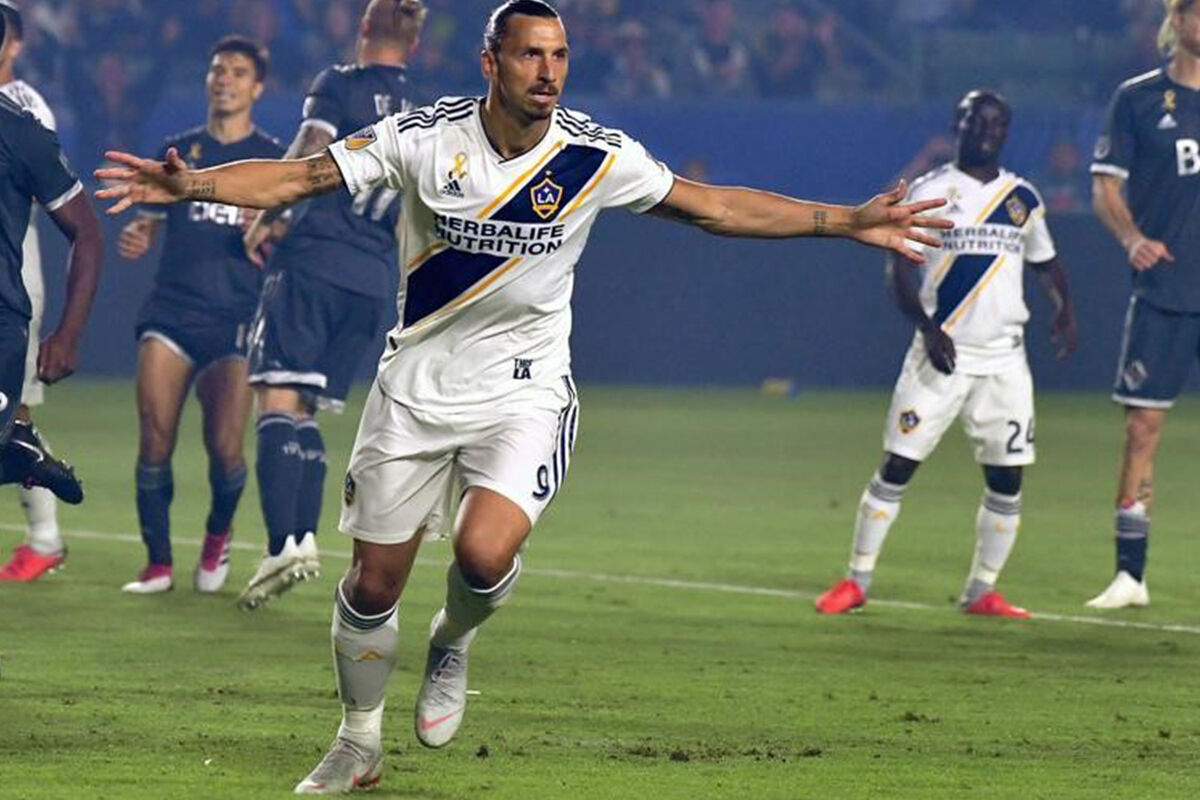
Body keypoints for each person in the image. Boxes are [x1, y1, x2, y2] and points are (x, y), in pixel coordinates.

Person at [95, 1, 950, 791]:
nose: (548, 71)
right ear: (491, 62)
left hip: (524, 391)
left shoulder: (593, 154)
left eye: (559, 55)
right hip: (416, 390)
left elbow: (714, 207)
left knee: (483, 553)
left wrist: (847, 220)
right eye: (530, 54)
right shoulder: (424, 137)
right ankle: (358, 739)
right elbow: (300, 178)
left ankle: (453, 640)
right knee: (372, 585)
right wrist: (192, 185)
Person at [814, 90, 1077, 619]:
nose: (986, 130)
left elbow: (1045, 262)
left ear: (1006, 132)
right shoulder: (931, 191)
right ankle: (856, 581)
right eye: (977, 120)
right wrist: (927, 327)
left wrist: (1064, 308)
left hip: (1005, 361)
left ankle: (982, 590)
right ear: (959, 124)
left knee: (1007, 479)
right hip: (942, 354)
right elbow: (899, 269)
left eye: (996, 123)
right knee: (897, 465)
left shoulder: (1022, 198)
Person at [235, 0, 427, 610]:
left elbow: (309, 150)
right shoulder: (424, 115)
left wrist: (266, 212)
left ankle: (280, 546)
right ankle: (305, 539)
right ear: (415, 42)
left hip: (315, 260)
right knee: (307, 410)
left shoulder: (340, 84)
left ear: (364, 27)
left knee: (276, 396)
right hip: (370, 279)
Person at [116, 36, 284, 595]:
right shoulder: (178, 153)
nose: (224, 79)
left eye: (237, 71)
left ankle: (217, 537)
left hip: (236, 317)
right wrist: (143, 228)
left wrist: (271, 229)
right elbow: (156, 214)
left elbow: (292, 234)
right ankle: (158, 564)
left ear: (257, 87)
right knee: (154, 436)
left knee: (225, 447)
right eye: (217, 69)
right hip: (171, 310)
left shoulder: (272, 159)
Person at [1086, 0, 1200, 609]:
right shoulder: (1137, 99)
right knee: (1141, 427)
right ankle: (1130, 575)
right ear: (1177, 19)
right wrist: (1132, 238)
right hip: (1167, 290)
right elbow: (1105, 185)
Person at [0, 11, 101, 520]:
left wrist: (68, 333)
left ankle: (19, 457)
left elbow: (86, 231)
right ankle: (17, 452)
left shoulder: (23, 127)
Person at [0, 0, 70, 582]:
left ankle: (45, 538)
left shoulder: (25, 106)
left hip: (15, 271)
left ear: (15, 44)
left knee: (13, 409)